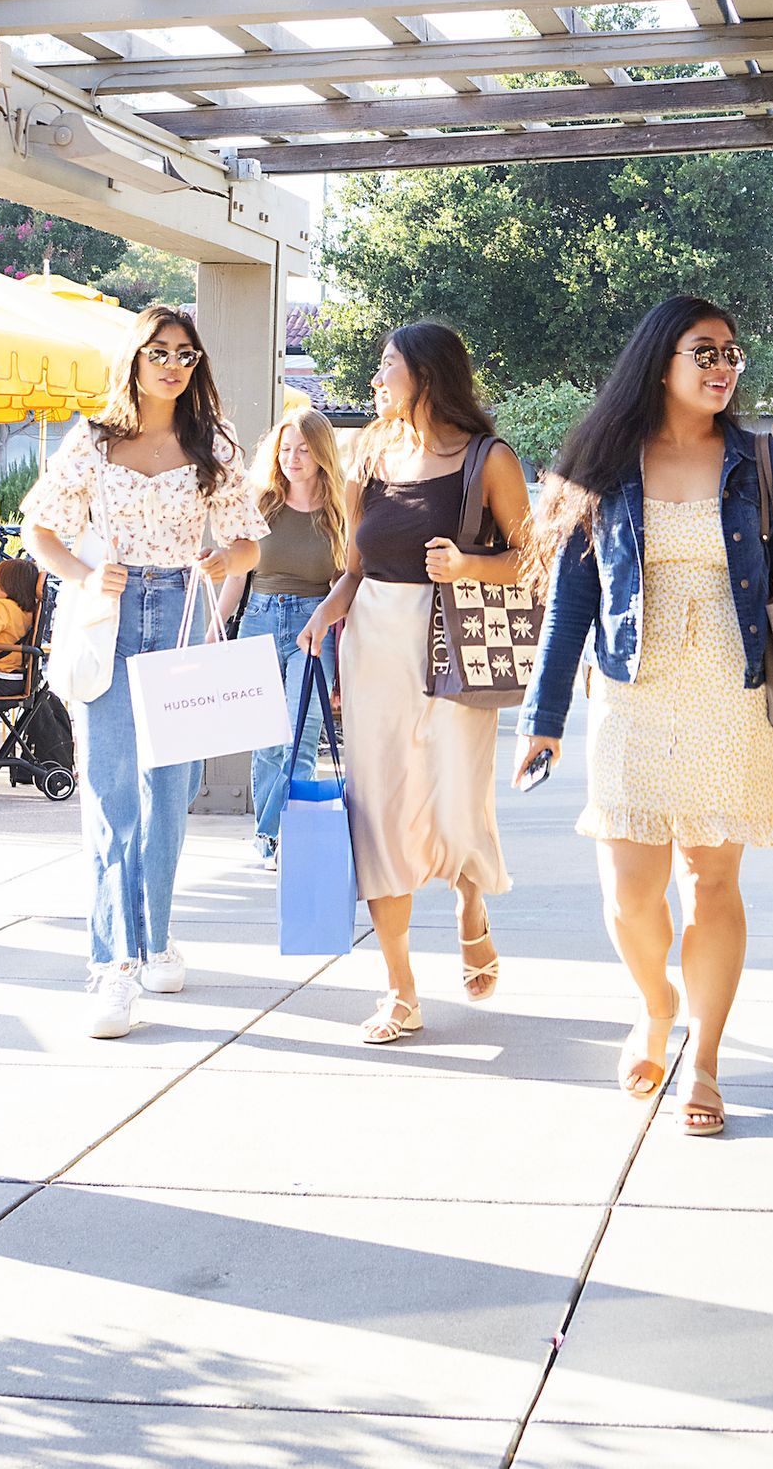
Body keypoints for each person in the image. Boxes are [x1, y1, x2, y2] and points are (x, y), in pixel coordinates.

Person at [516, 298, 773, 1137]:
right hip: (631, 694)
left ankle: (703, 1058)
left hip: (729, 694)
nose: (724, 366)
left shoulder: (761, 460)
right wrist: (543, 714)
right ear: (659, 360)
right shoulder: (603, 462)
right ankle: (655, 1003)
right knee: (629, 893)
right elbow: (571, 602)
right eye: (705, 351)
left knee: (711, 882)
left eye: (732, 353)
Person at [23, 306, 265, 1040]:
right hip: (113, 616)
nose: (172, 365)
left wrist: (224, 559)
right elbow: (39, 529)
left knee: (170, 792)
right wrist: (83, 573)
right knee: (110, 792)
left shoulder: (214, 441)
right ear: (134, 357)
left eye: (186, 355)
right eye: (159, 352)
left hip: (184, 613)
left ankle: (156, 936)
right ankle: (113, 964)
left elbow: (249, 542)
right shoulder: (94, 440)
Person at [299, 323, 530, 1046]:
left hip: (454, 646)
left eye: (387, 365)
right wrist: (327, 610)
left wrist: (468, 565)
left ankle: (471, 900)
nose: (376, 378)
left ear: (426, 375)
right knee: (379, 812)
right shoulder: (369, 454)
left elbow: (534, 558)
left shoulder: (488, 458)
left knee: (457, 798)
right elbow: (356, 566)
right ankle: (400, 988)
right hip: (375, 646)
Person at [220, 402, 346, 866]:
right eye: (286, 449)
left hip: (314, 625)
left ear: (322, 454)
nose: (293, 458)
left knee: (301, 736)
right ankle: (269, 839)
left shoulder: (338, 511)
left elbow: (347, 581)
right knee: (268, 739)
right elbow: (237, 574)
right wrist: (215, 625)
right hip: (258, 619)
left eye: (304, 450)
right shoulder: (261, 502)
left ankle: (280, 834)